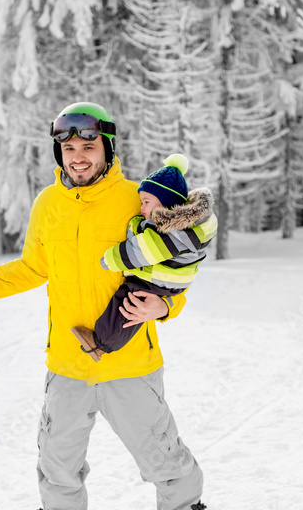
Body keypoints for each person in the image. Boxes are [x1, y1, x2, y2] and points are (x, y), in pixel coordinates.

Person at [0, 102, 207, 510]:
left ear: (107, 149)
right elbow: (30, 268)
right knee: (57, 451)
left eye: (88, 146)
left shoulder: (137, 199)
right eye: (69, 147)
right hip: (67, 358)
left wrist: (164, 307)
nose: (78, 156)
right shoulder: (48, 204)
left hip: (129, 358)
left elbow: (179, 264)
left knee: (156, 443)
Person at [71, 153, 217, 363]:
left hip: (158, 281)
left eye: (146, 202)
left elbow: (141, 250)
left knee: (127, 305)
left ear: (166, 203)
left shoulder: (170, 231)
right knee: (133, 307)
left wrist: (112, 259)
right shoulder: (180, 227)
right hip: (164, 281)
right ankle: (104, 343)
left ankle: (101, 344)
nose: (142, 208)